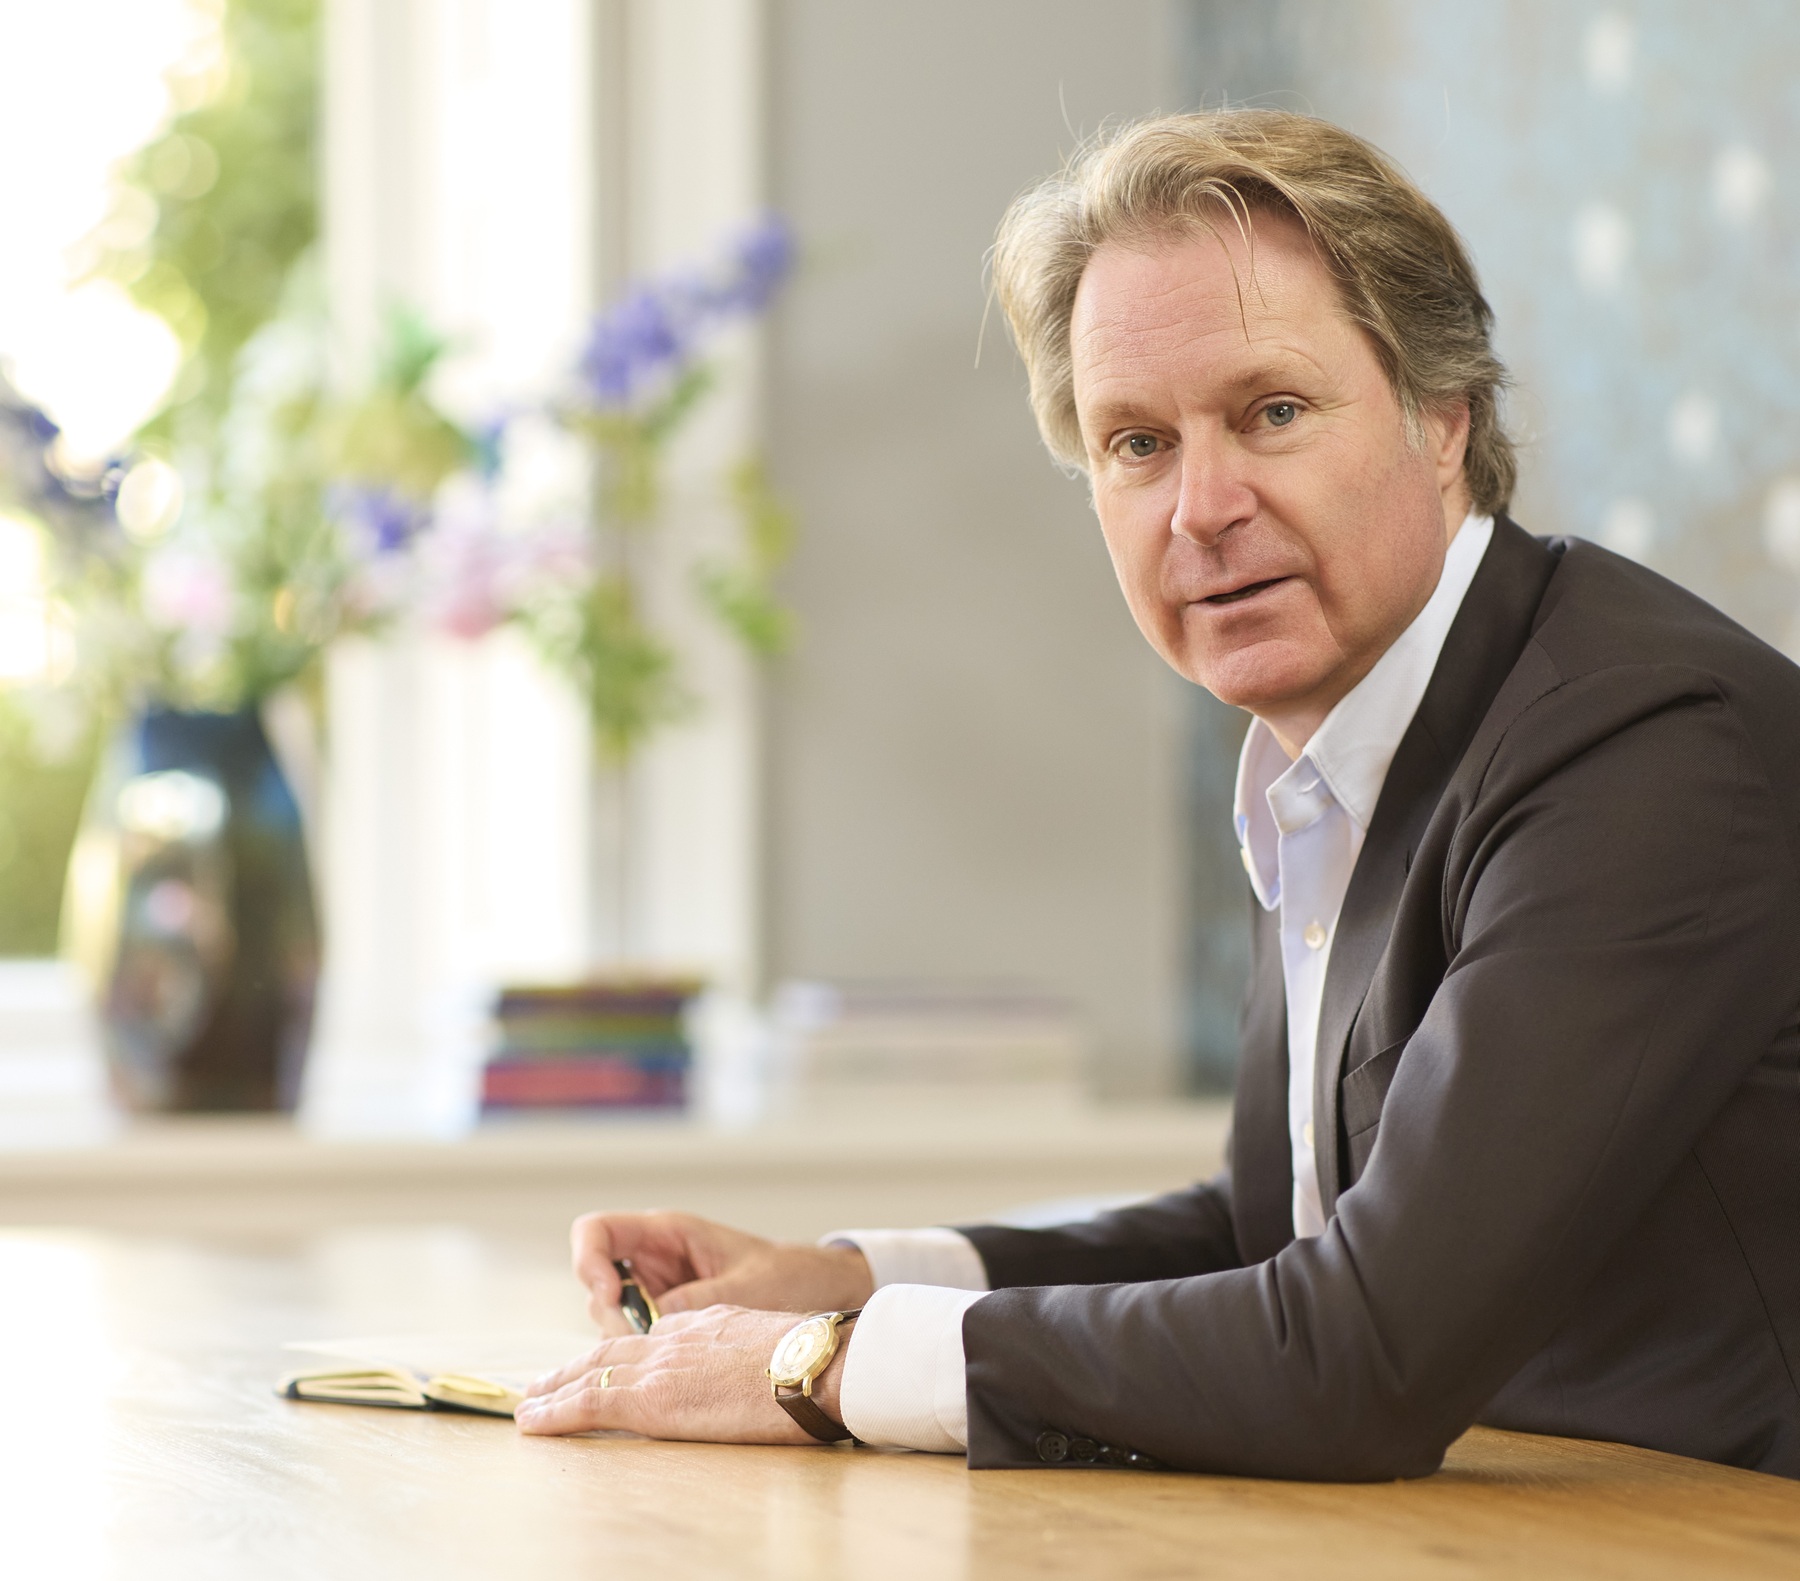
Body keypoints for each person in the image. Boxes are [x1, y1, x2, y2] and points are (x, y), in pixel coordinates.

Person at [515, 110, 1800, 1479]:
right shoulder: (1333, 750)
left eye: (1272, 414)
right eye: (1136, 443)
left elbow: (1357, 1351)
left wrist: (823, 1368)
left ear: (1442, 420)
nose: (1200, 508)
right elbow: (1279, 1232)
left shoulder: (1647, 749)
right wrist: (846, 1279)